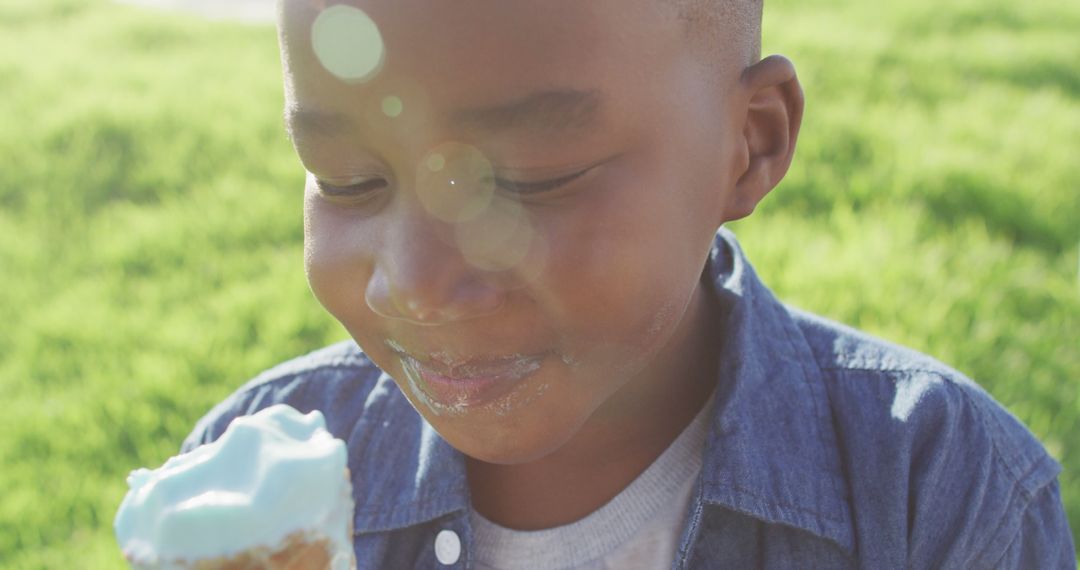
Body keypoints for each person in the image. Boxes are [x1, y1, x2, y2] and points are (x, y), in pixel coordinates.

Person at [181, 0, 1076, 567]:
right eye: (346, 179)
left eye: (525, 180)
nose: (414, 286)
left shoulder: (940, 495)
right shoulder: (246, 483)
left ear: (749, 144)